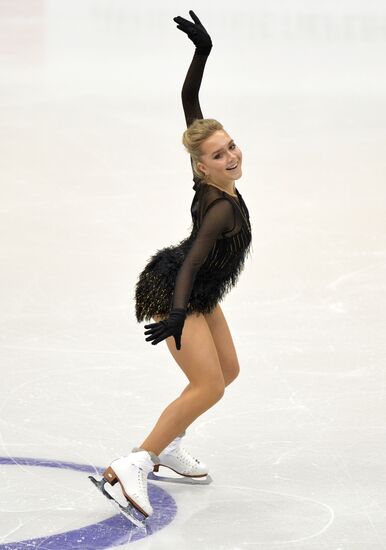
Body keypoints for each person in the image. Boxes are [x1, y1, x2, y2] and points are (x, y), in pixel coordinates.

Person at [101, 10, 252, 521]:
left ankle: (168, 445)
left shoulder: (210, 177)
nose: (230, 155)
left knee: (226, 371)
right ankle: (136, 460)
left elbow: (191, 107)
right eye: (219, 153)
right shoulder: (221, 207)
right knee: (207, 384)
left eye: (230, 144)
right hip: (178, 287)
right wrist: (176, 313)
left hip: (197, 288)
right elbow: (190, 261)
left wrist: (201, 53)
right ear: (201, 165)